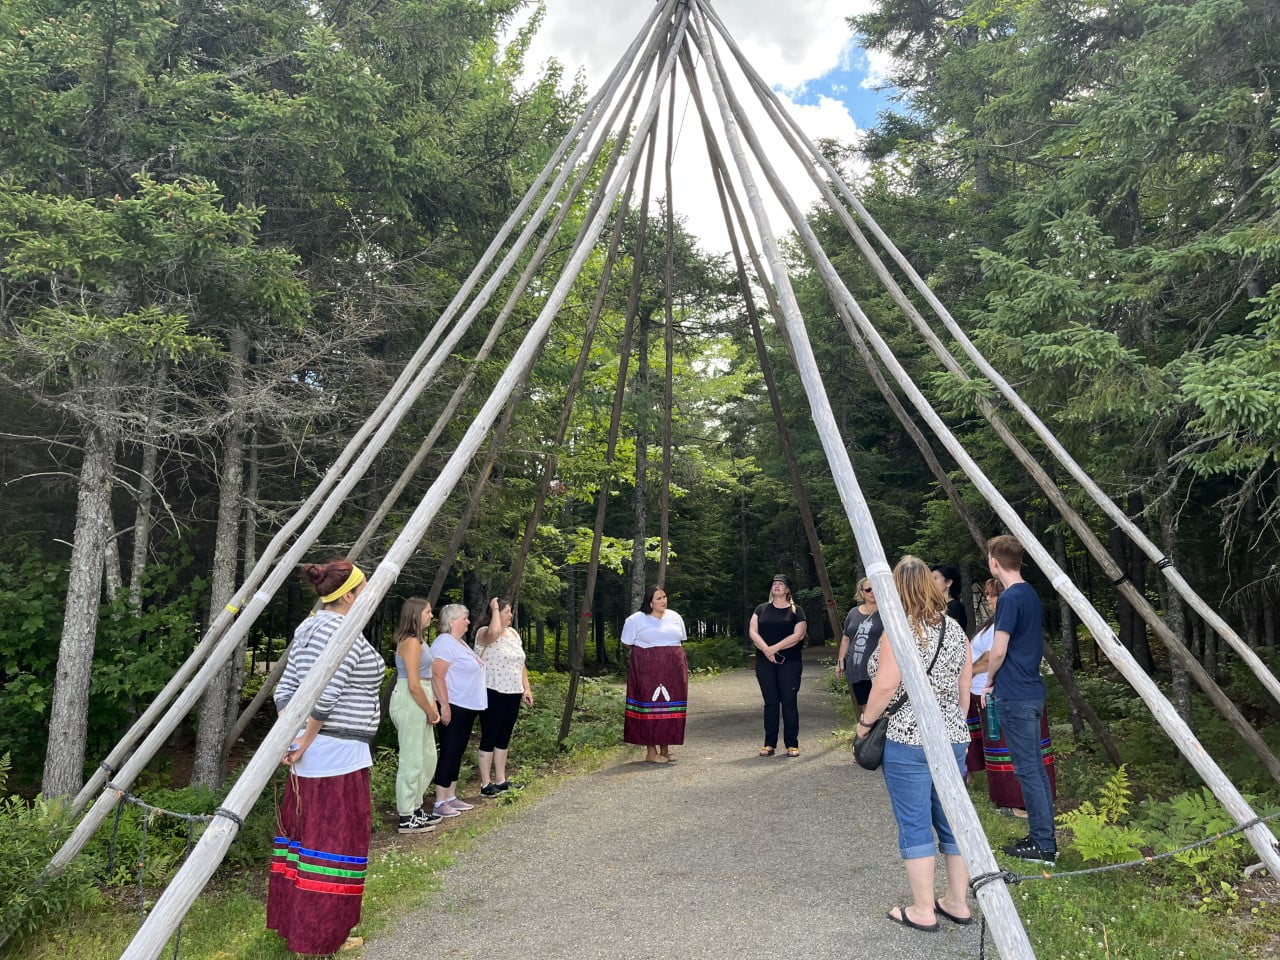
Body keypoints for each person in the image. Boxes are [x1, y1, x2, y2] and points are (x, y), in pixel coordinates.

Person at [269, 558, 384, 956]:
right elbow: (326, 693)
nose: (368, 592)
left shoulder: (309, 627)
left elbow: (285, 688)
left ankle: (299, 928)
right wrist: (305, 739)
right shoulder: (341, 630)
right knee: (335, 843)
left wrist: (295, 737)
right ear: (348, 593)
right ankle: (320, 937)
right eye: (364, 586)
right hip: (337, 756)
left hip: (314, 751)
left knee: (305, 840)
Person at [858, 555, 972, 932]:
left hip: (909, 737)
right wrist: (952, 724)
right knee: (954, 820)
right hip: (953, 734)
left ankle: (923, 908)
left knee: (915, 822)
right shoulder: (956, 631)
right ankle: (958, 901)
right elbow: (963, 692)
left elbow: (887, 685)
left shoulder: (899, 630)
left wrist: (865, 724)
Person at [982, 534, 1058, 864]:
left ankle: (1043, 845)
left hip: (1015, 693)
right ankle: (1042, 836)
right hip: (1031, 690)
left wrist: (988, 681)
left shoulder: (1010, 598)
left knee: (1027, 770)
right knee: (1034, 770)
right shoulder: (1030, 594)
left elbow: (998, 649)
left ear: (994, 562)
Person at [972, 578, 1057, 814]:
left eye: (992, 595)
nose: (988, 599)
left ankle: (1022, 804)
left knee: (1016, 754)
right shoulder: (994, 622)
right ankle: (1013, 801)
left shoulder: (1007, 622)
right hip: (994, 692)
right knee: (1004, 750)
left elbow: (993, 655)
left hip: (1008, 693)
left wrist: (970, 673)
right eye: (987, 594)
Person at [389, 597, 442, 834]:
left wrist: (433, 706)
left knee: (427, 757)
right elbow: (413, 684)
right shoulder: (410, 642)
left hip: (423, 696)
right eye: (428, 612)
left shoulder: (420, 640)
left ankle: (416, 807)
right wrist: (430, 710)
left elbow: (425, 679)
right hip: (411, 700)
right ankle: (405, 815)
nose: (432, 615)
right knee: (412, 759)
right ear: (415, 615)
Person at [430, 603, 487, 818]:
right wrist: (443, 705)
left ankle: (451, 795)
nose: (469, 622)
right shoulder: (444, 643)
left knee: (458, 751)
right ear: (453, 621)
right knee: (450, 750)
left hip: (467, 705)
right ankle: (440, 800)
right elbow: (437, 675)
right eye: (465, 618)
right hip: (454, 704)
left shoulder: (459, 643)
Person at [621, 585, 689, 763]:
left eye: (664, 597)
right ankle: (651, 751)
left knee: (670, 706)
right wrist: (648, 656)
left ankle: (665, 749)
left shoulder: (675, 617)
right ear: (649, 601)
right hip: (647, 667)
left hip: (673, 667)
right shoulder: (635, 620)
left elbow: (680, 640)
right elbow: (628, 643)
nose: (663, 601)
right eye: (658, 598)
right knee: (649, 706)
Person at [475, 597, 534, 797]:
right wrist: (493, 609)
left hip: (513, 691)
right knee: (489, 735)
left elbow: (521, 662)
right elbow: (493, 633)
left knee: (504, 736)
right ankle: (485, 783)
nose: (511, 615)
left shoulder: (513, 634)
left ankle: (501, 779)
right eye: (507, 611)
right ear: (496, 613)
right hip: (492, 690)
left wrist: (526, 688)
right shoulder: (484, 633)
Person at [749, 573, 807, 757]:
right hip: (765, 664)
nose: (777, 586)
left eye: (781, 583)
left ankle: (792, 744)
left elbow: (798, 635)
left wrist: (774, 648)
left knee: (789, 701)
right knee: (771, 702)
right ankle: (769, 743)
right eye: (774, 583)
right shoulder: (761, 609)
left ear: (788, 589)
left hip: (790, 662)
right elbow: (753, 631)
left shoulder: (796, 610)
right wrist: (766, 650)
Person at [835, 577, 882, 721]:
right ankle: (869, 740)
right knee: (865, 706)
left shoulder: (885, 612)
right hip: (857, 667)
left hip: (878, 667)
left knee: (880, 706)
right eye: (868, 589)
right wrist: (840, 663)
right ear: (861, 593)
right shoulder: (853, 613)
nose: (872, 592)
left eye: (874, 588)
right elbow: (846, 638)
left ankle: (880, 738)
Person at [931, 564, 968, 633]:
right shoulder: (931, 606)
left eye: (935, 578)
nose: (931, 582)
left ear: (948, 582)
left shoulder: (955, 607)